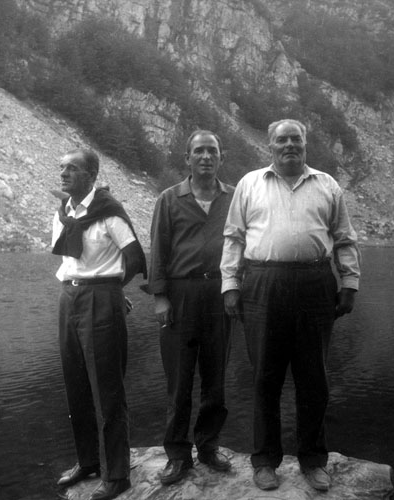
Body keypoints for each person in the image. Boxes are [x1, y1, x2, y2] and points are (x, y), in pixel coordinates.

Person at [220, 119, 360, 492]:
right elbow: (233, 238)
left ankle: (313, 461)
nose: (289, 145)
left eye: (295, 139)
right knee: (265, 377)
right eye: (281, 140)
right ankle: (265, 460)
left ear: (304, 144)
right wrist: (230, 285)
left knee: (314, 378)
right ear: (270, 145)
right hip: (262, 284)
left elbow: (344, 238)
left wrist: (349, 282)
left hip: (315, 284)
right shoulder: (250, 184)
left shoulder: (327, 185)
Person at [52, 148, 146, 500]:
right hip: (69, 298)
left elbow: (134, 258)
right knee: (75, 384)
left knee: (107, 390)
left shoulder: (110, 212)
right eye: (62, 167)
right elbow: (69, 261)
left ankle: (117, 475)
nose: (63, 173)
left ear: (91, 175)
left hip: (100, 299)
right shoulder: (63, 212)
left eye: (72, 168)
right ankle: (89, 462)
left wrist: (111, 291)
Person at [148, 130, 235, 485]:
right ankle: (177, 455)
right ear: (187, 158)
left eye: (212, 150)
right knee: (179, 380)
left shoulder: (234, 198)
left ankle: (209, 446)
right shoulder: (169, 199)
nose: (205, 156)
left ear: (221, 157)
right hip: (180, 294)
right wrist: (160, 296)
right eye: (198, 151)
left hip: (220, 292)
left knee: (215, 377)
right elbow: (158, 249)